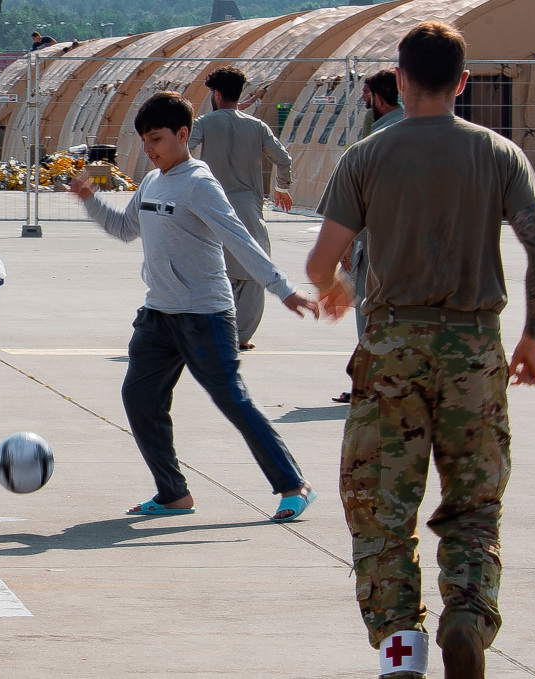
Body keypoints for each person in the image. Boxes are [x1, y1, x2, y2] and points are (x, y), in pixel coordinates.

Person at [305, 22, 535, 679]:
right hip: (475, 347)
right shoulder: (499, 154)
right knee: (474, 505)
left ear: (403, 80)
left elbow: (321, 260)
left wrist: (333, 286)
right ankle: (467, 619)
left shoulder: (367, 155)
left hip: (393, 347)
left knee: (380, 507)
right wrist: (531, 336)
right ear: (463, 83)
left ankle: (400, 647)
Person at [71, 91, 319, 522]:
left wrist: (284, 289)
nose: (149, 150)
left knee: (232, 400)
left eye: (157, 139)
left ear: (183, 134)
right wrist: (91, 201)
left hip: (204, 315)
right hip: (158, 315)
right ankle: (173, 494)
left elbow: (240, 240)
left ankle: (294, 484)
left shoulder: (199, 183)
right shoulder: (151, 181)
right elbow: (126, 229)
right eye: (144, 141)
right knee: (139, 397)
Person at [188, 67, 293, 351]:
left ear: (217, 94)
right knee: (254, 271)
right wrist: (281, 188)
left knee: (213, 270)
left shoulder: (204, 123)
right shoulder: (257, 127)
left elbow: (182, 148)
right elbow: (283, 159)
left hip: (213, 206)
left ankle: (210, 329)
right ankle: (241, 335)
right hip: (248, 209)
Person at [334, 68, 402, 404]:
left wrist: (344, 247)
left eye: (366, 96)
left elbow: (354, 202)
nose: (363, 101)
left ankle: (371, 382)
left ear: (378, 97)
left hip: (375, 244)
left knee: (369, 313)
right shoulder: (434, 133)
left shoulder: (372, 142)